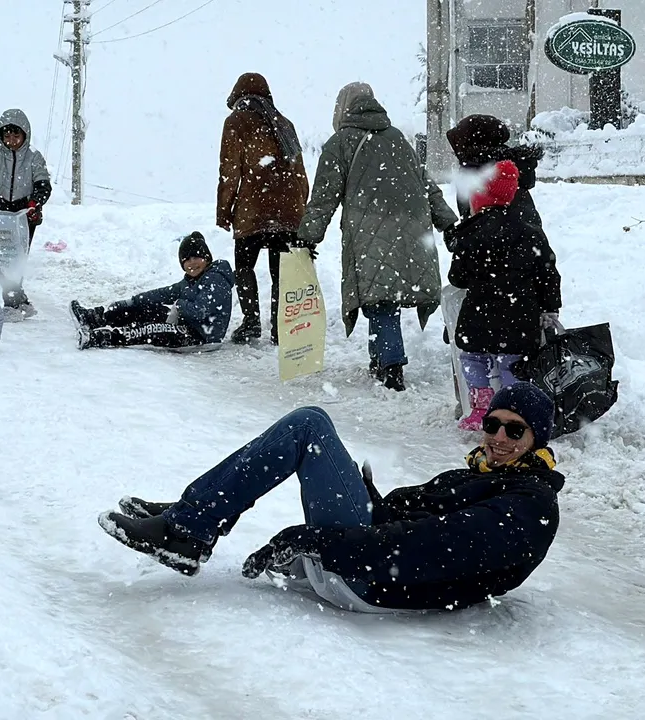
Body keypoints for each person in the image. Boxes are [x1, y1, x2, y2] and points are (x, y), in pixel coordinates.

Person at [98, 383, 564, 613]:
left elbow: (434, 548)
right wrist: (372, 499)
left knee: (309, 424)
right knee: (310, 426)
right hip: (372, 556)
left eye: (514, 429)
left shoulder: (530, 503)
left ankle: (188, 528)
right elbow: (409, 521)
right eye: (492, 424)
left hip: (378, 580)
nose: (498, 437)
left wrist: (321, 541)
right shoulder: (479, 475)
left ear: (537, 438)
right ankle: (189, 516)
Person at [295, 84, 458, 391]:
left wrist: (308, 237)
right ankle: (379, 358)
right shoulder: (397, 138)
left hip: (369, 230)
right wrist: (447, 222)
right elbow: (426, 184)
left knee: (380, 300)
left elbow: (323, 198)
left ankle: (391, 365)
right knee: (385, 298)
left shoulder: (340, 142)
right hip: (411, 231)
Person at [447, 160, 562, 430]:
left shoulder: (470, 233)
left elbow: (457, 277)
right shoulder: (530, 233)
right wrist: (550, 307)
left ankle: (480, 408)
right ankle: (514, 411)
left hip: (479, 315)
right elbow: (548, 274)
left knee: (473, 360)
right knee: (513, 365)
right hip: (518, 317)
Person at [216, 72, 310, 346]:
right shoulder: (285, 124)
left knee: (245, 265)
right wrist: (301, 205)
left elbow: (230, 172)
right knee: (281, 269)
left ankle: (251, 322)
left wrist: (224, 210)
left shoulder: (236, 122)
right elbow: (300, 171)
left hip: (254, 208)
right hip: (288, 209)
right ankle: (281, 328)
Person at [69, 232, 234, 351]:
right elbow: (162, 293)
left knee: (150, 330)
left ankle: (100, 338)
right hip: (184, 324)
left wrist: (180, 305)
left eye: (196, 257)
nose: (192, 263)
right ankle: (93, 319)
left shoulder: (216, 279)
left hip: (200, 336)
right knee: (145, 308)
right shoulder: (189, 281)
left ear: (207, 258)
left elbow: (200, 311)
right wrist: (132, 301)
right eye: (187, 260)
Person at [0, 108, 52, 321]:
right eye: (7, 136)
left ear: (25, 134)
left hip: (25, 215)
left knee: (16, 258)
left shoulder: (34, 157)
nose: (12, 140)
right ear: (1, 136)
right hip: (0, 214)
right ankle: (18, 300)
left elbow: (43, 185)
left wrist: (35, 203)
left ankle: (13, 302)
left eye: (16, 135)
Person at [446, 114, 544, 228]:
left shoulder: (482, 169)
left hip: (495, 237)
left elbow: (476, 222)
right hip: (524, 234)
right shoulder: (511, 163)